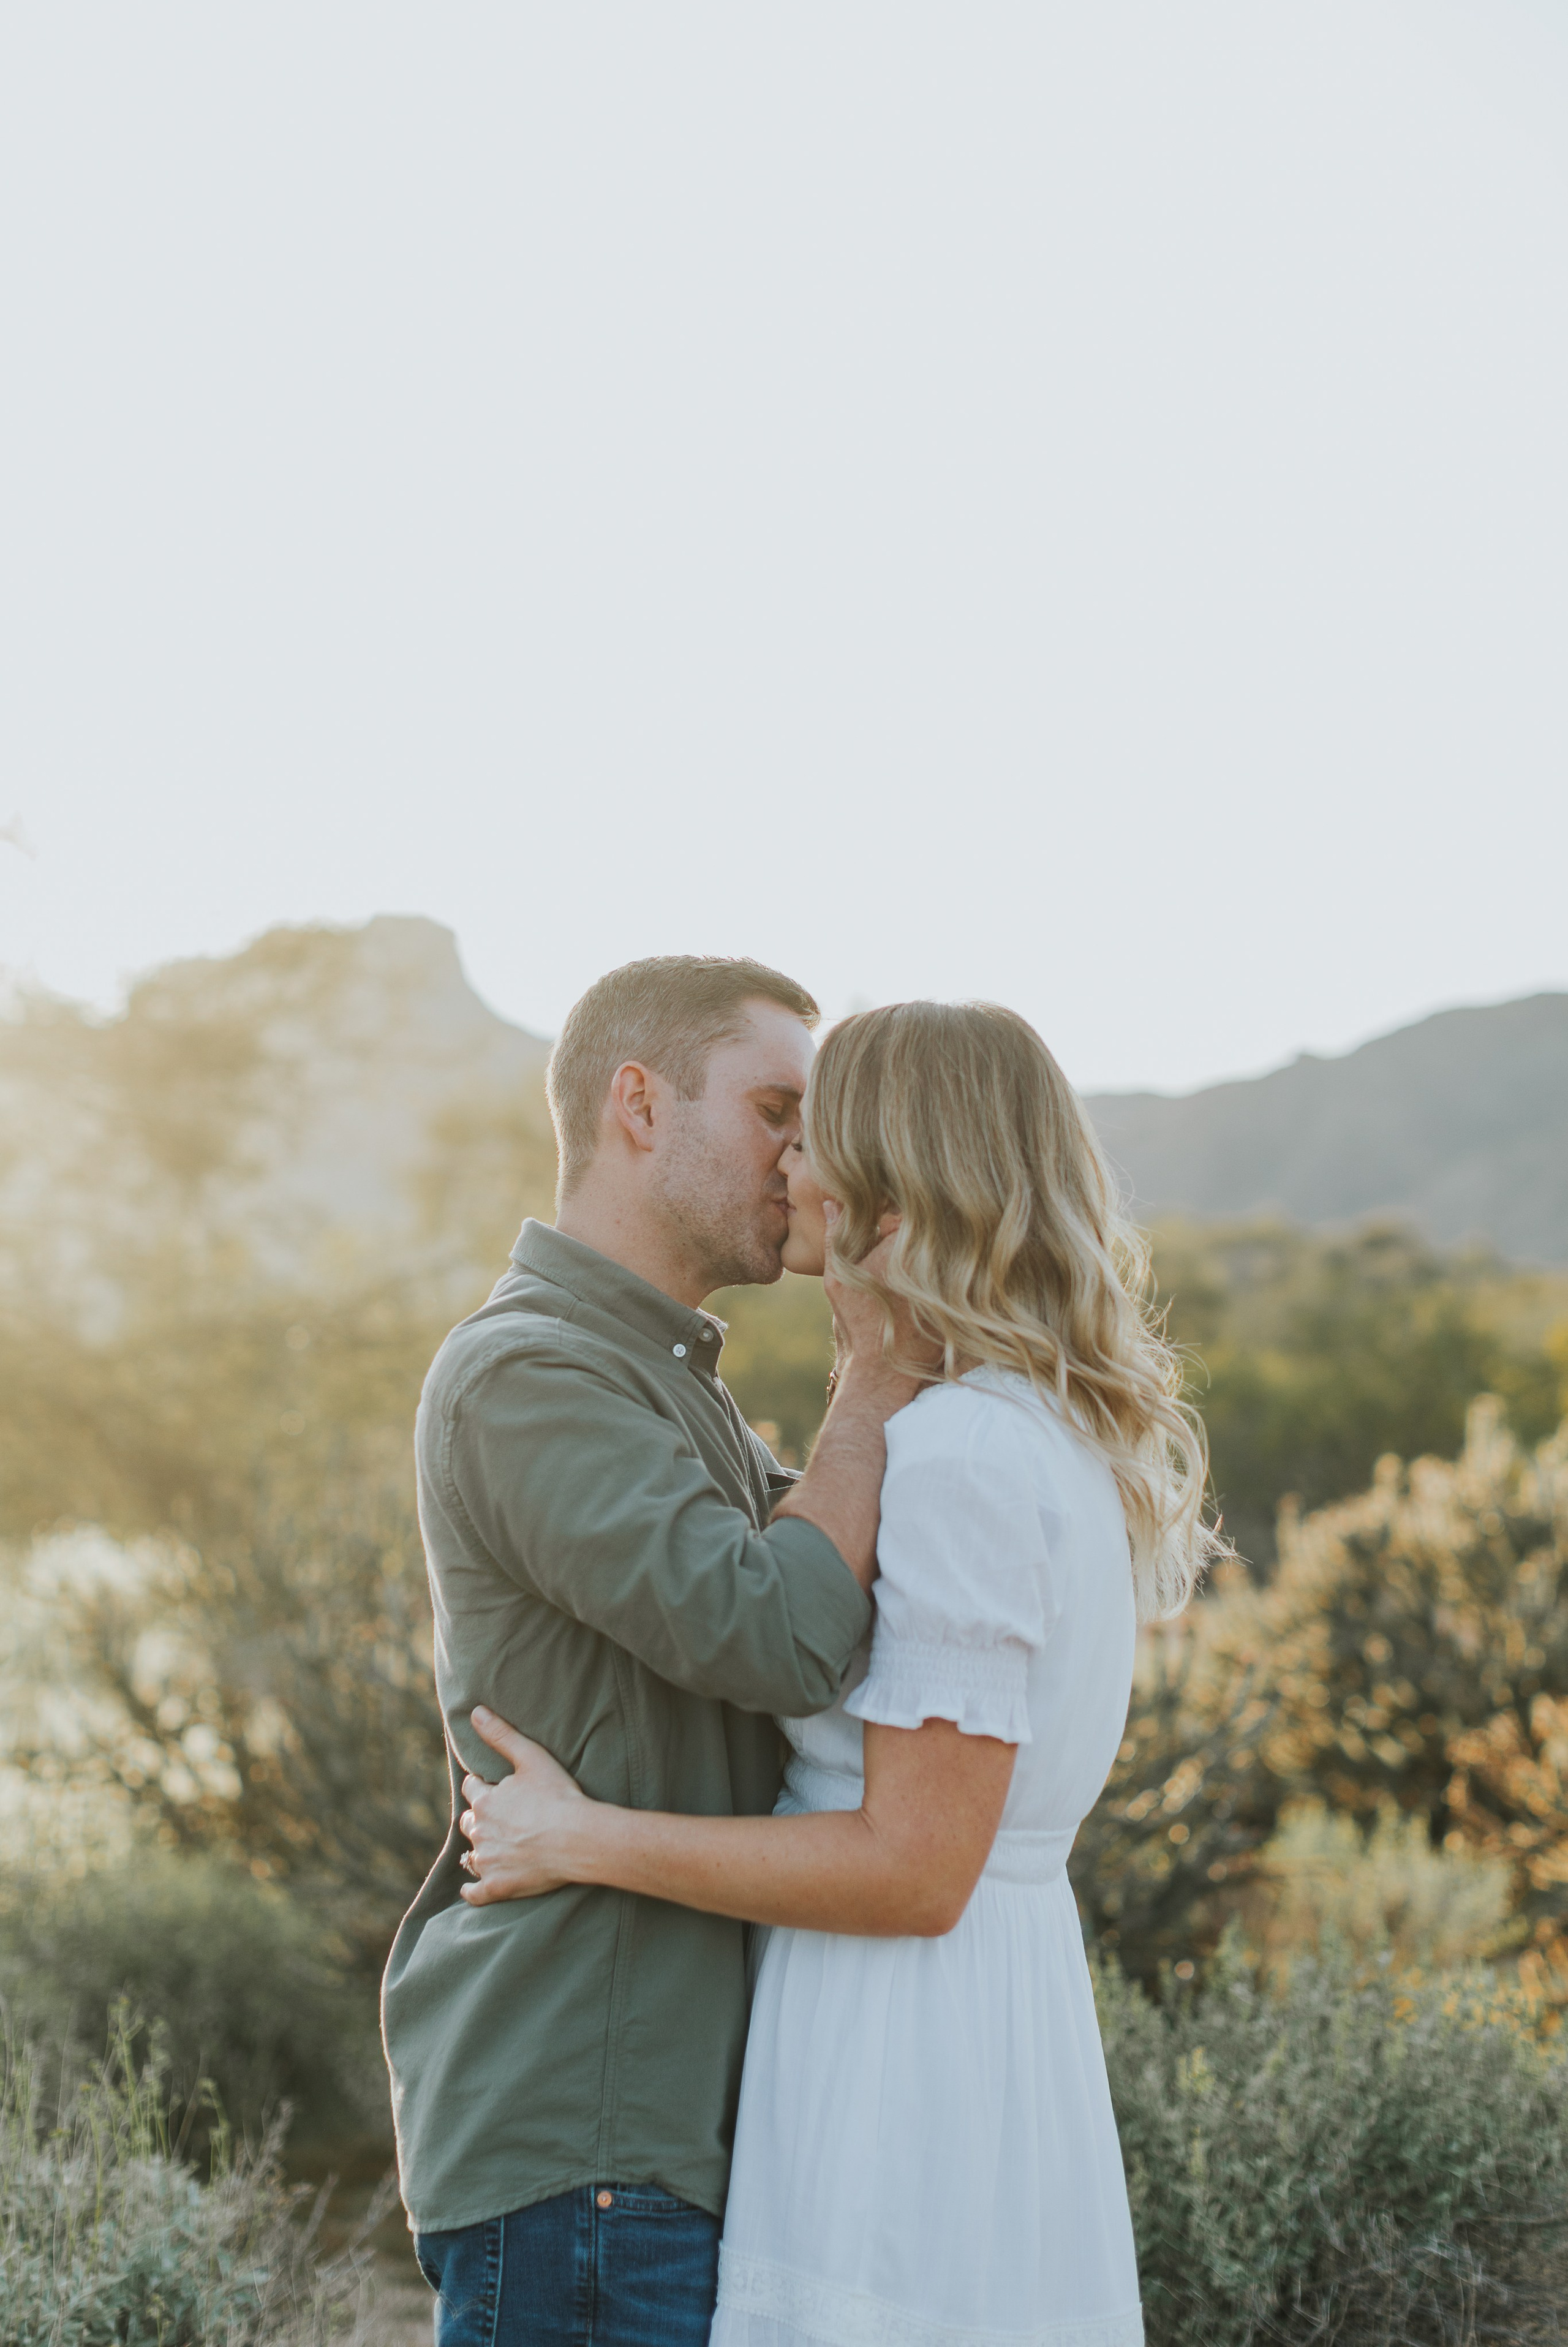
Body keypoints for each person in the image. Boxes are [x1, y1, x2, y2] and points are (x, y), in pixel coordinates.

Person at [459, 1000, 1225, 2347]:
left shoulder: (963, 1455)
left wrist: (585, 1839)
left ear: (892, 1178)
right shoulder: (1008, 1431)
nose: (790, 1168)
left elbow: (914, 1865)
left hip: (898, 2052)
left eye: (811, 1136)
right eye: (777, 1122)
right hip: (962, 2024)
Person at [382, 957, 919, 2347]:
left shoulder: (670, 1386)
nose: (803, 1159)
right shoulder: (533, 1372)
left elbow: (859, 1586)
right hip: (586, 2136)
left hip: (657, 2148)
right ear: (636, 1104)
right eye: (772, 1110)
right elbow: (785, 1628)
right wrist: (867, 1380)